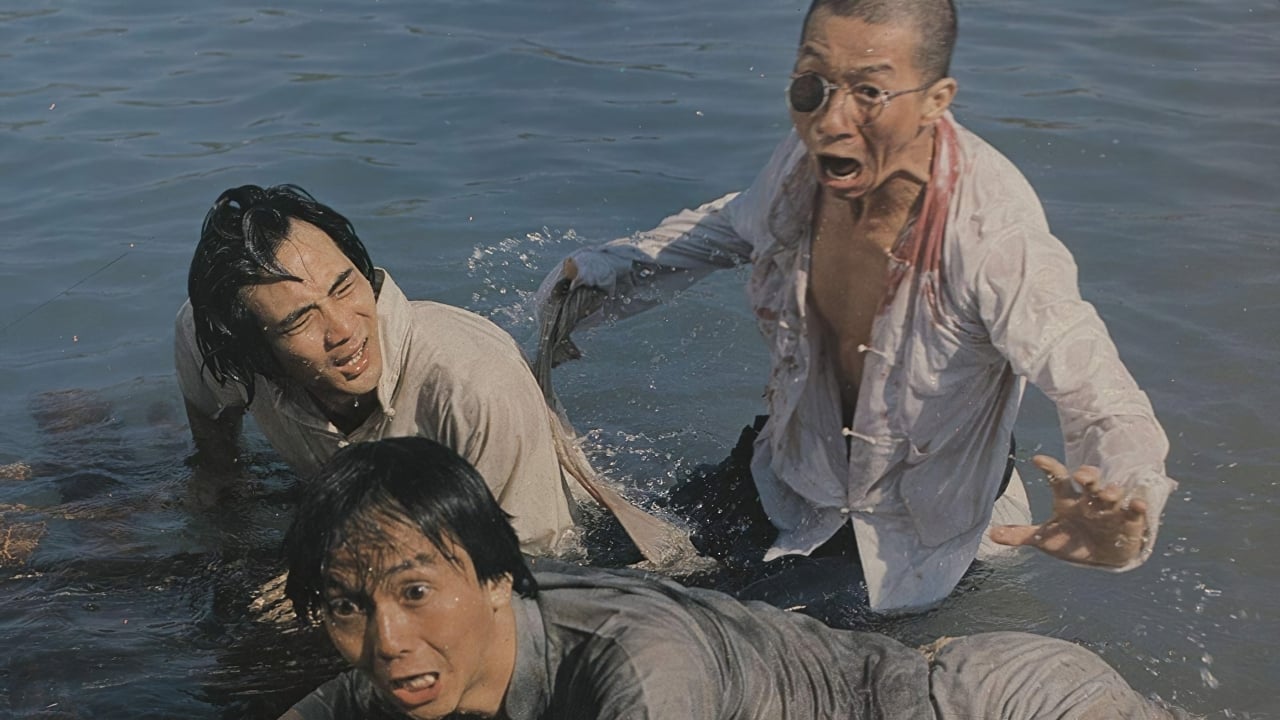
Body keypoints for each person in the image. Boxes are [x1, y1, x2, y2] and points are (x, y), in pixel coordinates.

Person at [535, 0, 1176, 610]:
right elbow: (734, 224)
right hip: (789, 478)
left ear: (936, 101)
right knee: (580, 570)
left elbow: (1103, 396)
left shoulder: (993, 243)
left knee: (707, 634)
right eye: (811, 86)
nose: (831, 120)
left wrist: (1124, 508)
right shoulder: (806, 166)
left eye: (870, 92)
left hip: (905, 537)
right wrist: (600, 273)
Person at [277, 436, 1190, 720]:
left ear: (497, 580)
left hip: (994, 705)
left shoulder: (641, 670)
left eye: (414, 593)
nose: (388, 639)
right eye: (347, 607)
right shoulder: (407, 668)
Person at [174, 184, 579, 554]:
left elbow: (531, 567)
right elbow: (209, 415)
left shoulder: (474, 385)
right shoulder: (211, 338)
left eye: (344, 287)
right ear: (253, 352)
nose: (344, 331)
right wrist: (218, 470)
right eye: (300, 320)